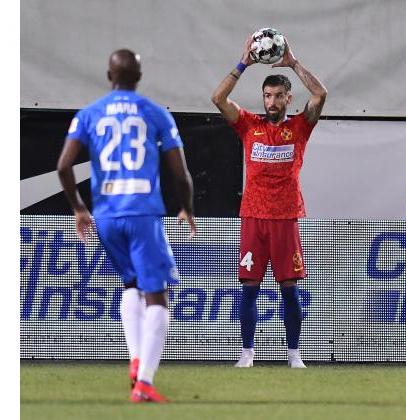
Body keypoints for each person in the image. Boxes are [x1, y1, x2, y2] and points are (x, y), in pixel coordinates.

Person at [57, 49, 196, 403]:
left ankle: (136, 359)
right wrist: (187, 207)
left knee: (131, 283)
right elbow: (180, 173)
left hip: (105, 216)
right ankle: (145, 382)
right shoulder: (155, 113)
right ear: (140, 76)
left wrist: (78, 208)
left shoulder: (89, 114)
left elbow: (63, 166)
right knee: (158, 297)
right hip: (142, 212)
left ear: (109, 75)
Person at [211, 35, 327, 368]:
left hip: (285, 217)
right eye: (267, 95)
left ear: (288, 98)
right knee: (249, 288)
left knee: (289, 289)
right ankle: (247, 354)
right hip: (253, 217)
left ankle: (294, 354)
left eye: (278, 96)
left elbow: (320, 94)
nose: (271, 101)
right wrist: (243, 63)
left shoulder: (301, 127)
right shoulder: (249, 125)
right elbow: (218, 97)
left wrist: (293, 62)